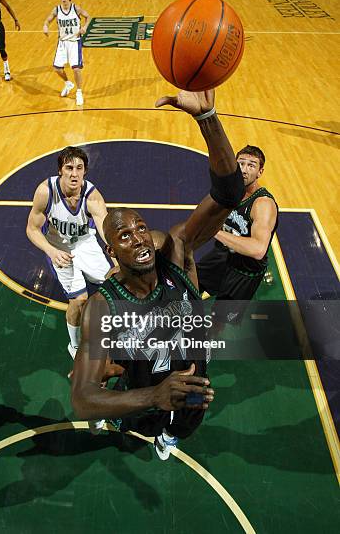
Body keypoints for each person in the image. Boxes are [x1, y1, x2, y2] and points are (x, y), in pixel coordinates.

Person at [71, 88, 245, 459]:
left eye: (140, 227)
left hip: (194, 372)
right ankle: (144, 422)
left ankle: (171, 437)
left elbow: (230, 192)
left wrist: (207, 117)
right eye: (124, 235)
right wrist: (152, 395)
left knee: (189, 418)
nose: (138, 238)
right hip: (144, 385)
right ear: (110, 251)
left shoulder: (176, 251)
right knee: (136, 421)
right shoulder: (104, 305)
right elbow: (82, 400)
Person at [26, 146, 112, 362]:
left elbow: (106, 230)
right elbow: (32, 229)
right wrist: (51, 251)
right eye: (69, 168)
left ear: (85, 171)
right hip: (59, 248)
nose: (74, 173)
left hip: (85, 243)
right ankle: (74, 344)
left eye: (79, 168)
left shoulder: (93, 197)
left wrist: (116, 257)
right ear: (60, 171)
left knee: (112, 286)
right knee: (80, 300)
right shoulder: (46, 192)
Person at [196, 144, 278, 324]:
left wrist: (215, 231)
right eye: (241, 163)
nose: (244, 170)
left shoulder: (262, 204)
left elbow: (258, 249)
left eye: (251, 165)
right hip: (222, 256)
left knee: (220, 318)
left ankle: (211, 340)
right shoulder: (231, 190)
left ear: (260, 172)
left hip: (244, 271)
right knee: (192, 285)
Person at [42, 0, 90, 106]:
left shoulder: (76, 8)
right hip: (62, 42)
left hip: (75, 41)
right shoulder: (56, 10)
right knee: (57, 68)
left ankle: (79, 92)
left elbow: (88, 17)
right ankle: (68, 83)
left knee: (76, 68)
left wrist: (84, 27)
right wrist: (45, 26)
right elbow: (48, 20)